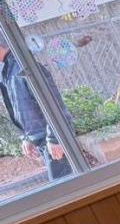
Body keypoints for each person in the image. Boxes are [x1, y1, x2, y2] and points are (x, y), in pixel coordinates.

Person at [0, 29, 73, 182]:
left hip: (52, 140)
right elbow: (17, 108)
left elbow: (54, 105)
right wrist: (26, 137)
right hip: (42, 140)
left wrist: (56, 139)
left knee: (68, 187)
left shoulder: (25, 67)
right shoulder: (7, 71)